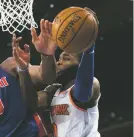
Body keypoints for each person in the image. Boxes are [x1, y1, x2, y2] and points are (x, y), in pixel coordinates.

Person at [19, 8, 101, 137]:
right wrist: (23, 70)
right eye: (59, 58)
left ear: (80, 66)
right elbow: (31, 104)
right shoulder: (54, 92)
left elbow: (84, 92)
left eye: (66, 58)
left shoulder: (92, 84)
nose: (58, 62)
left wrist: (89, 47)